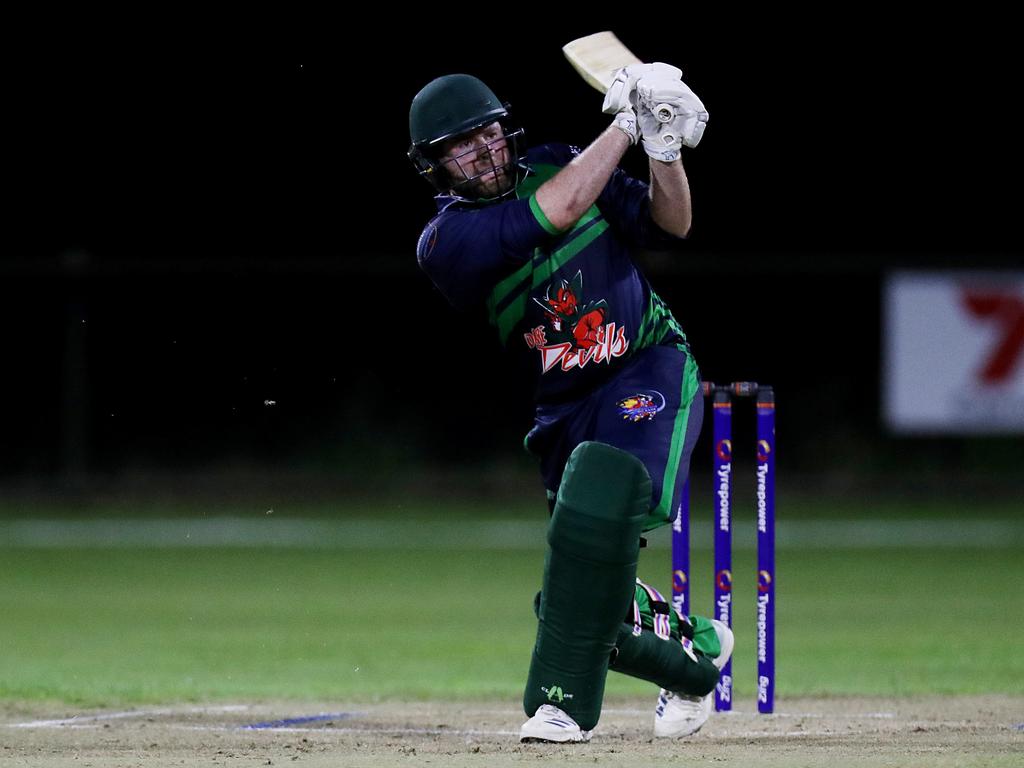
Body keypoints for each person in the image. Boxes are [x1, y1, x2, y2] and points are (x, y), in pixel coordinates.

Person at [408, 65, 732, 743]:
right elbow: (552, 211)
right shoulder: (446, 243)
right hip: (562, 411)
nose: (485, 151)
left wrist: (662, 150)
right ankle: (699, 655)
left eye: (489, 133)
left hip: (649, 364)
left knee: (600, 521)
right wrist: (624, 125)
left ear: (508, 130)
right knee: (576, 602)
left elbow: (672, 220)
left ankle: (559, 709)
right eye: (462, 146)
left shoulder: (556, 160)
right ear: (436, 167)